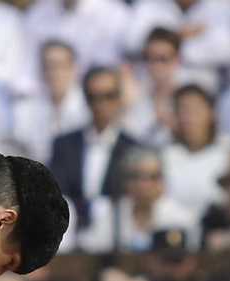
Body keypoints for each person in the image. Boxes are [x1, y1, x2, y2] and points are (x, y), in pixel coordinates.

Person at [50, 66, 142, 226]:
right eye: (94, 97)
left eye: (109, 96)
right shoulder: (64, 145)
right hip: (70, 231)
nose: (101, 103)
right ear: (86, 99)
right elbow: (57, 193)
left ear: (119, 98)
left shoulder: (132, 148)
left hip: (116, 233)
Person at [74, 146, 198, 252]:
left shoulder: (180, 218)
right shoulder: (113, 215)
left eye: (151, 177)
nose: (143, 185)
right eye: (136, 177)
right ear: (126, 182)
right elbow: (92, 249)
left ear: (162, 182)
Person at [120, 0, 230, 91]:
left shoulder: (223, 4)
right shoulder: (149, 3)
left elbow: (225, 50)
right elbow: (132, 41)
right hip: (153, 90)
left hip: (203, 92)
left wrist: (166, 42)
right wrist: (181, 34)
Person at [10, 39, 90, 162]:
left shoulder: (87, 107)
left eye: (60, 66)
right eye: (49, 66)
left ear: (73, 69)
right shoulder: (24, 110)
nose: (54, 73)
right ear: (41, 70)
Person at [161, 82, 230, 217]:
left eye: (195, 110)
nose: (189, 119)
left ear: (211, 112)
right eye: (183, 110)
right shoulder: (163, 155)